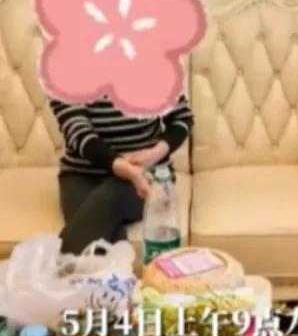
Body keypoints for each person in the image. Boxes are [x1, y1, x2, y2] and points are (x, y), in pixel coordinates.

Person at [50, 93, 193, 254]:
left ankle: (51, 267)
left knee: (109, 200)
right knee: (98, 228)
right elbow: (77, 131)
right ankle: (116, 270)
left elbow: (182, 118)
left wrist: (152, 155)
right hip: (83, 175)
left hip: (146, 173)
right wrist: (121, 166)